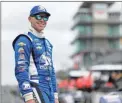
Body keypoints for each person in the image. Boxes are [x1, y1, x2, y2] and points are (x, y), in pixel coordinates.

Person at [12, 5, 59, 103]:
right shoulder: (24, 39)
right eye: (38, 16)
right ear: (30, 19)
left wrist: (55, 95)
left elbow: (52, 71)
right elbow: (21, 69)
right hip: (36, 87)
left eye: (45, 17)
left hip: (49, 90)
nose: (42, 20)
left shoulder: (48, 43)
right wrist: (28, 96)